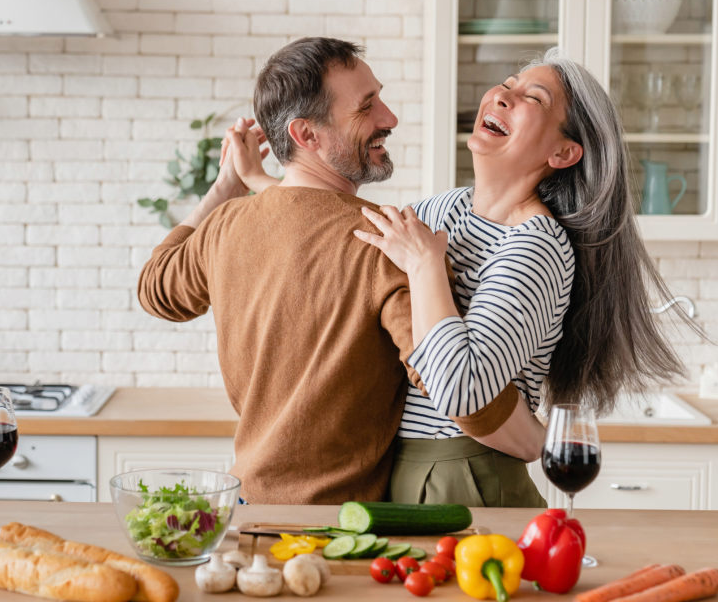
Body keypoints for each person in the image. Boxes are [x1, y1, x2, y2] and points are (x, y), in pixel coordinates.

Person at [231, 46, 691, 507]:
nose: (503, 96)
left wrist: (427, 266)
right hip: (400, 470)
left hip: (468, 474)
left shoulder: (536, 246)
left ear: (563, 151)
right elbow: (345, 228)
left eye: (534, 98)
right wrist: (259, 180)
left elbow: (461, 390)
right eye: (507, 84)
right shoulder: (444, 209)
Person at [138, 37, 496, 505]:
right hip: (337, 528)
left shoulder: (225, 225)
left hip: (246, 510)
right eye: (367, 108)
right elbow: (456, 389)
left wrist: (224, 187)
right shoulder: (386, 242)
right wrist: (532, 436)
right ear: (306, 136)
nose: (389, 118)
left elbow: (155, 289)